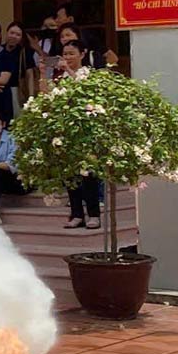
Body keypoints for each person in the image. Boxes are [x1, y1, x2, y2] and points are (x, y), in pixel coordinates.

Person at [57, 41, 103, 230]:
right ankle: (77, 214)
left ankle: (93, 214)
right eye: (65, 54)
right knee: (70, 175)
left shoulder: (88, 73)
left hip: (86, 130)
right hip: (67, 129)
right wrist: (43, 72)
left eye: (71, 53)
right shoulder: (63, 77)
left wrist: (68, 69)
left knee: (88, 174)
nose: (67, 57)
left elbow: (86, 93)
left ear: (82, 54)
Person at [4, 22, 38, 115]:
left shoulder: (24, 52)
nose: (14, 36)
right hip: (0, 90)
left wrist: (31, 97)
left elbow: (30, 75)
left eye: (18, 35)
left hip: (17, 91)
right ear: (7, 33)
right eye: (12, 33)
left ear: (21, 38)